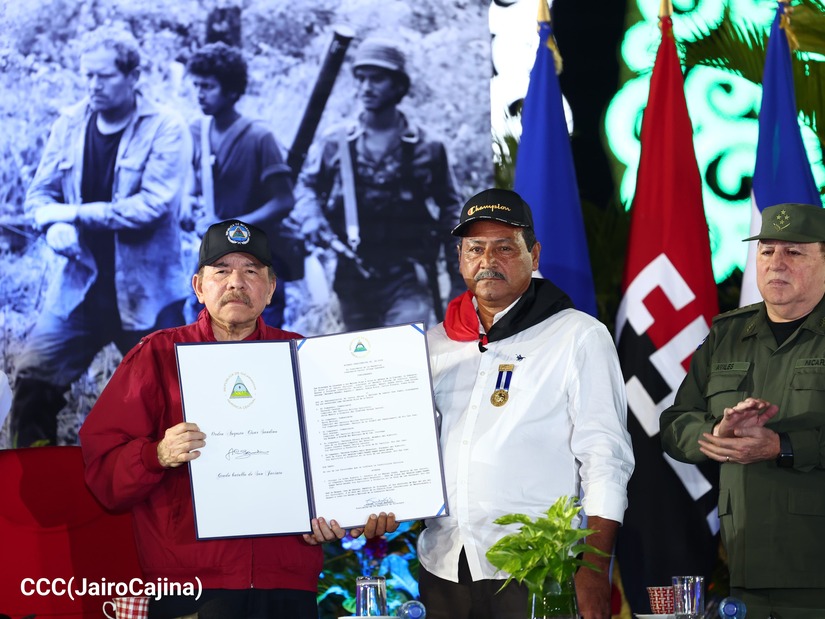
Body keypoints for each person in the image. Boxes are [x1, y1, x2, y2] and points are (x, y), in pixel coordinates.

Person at [80, 220, 396, 619]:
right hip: (190, 584)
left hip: (288, 579)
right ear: (199, 286)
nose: (236, 282)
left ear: (270, 288)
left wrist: (348, 514)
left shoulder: (305, 359)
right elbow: (103, 474)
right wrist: (155, 454)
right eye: (222, 270)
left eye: (251, 271)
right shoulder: (156, 356)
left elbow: (341, 457)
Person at [417, 188, 635, 619]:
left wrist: (594, 567)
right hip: (444, 566)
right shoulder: (434, 343)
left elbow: (605, 456)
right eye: (475, 248)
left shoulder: (577, 336)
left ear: (533, 256)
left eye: (504, 247)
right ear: (460, 258)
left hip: (539, 568)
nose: (488, 260)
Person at [9, 26, 191, 447]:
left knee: (172, 404)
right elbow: (39, 195)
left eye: (104, 76)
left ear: (133, 76)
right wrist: (53, 226)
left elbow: (151, 206)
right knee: (33, 379)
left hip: (146, 294)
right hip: (81, 287)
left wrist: (71, 213)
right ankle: (41, 491)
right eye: (87, 75)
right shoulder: (71, 123)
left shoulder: (166, 127)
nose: (93, 85)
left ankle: (174, 498)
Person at [661, 202, 825, 618]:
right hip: (747, 572)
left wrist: (784, 446)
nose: (776, 264)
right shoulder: (727, 335)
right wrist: (716, 434)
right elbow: (675, 423)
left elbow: (784, 443)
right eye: (766, 251)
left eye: (794, 252)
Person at [291, 36, 463, 330]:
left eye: (377, 79)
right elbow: (305, 186)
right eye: (361, 79)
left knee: (407, 358)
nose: (366, 87)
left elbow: (452, 210)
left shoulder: (427, 146)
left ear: (398, 85)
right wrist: (312, 219)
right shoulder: (337, 142)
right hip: (353, 276)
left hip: (408, 275)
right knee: (361, 363)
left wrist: (459, 280)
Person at [186, 41, 298, 326]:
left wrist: (234, 225)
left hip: (256, 259)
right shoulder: (196, 132)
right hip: (211, 260)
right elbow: (191, 188)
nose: (200, 94)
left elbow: (283, 200)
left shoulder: (260, 137)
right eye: (197, 86)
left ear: (232, 90)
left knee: (260, 337)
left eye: (208, 87)